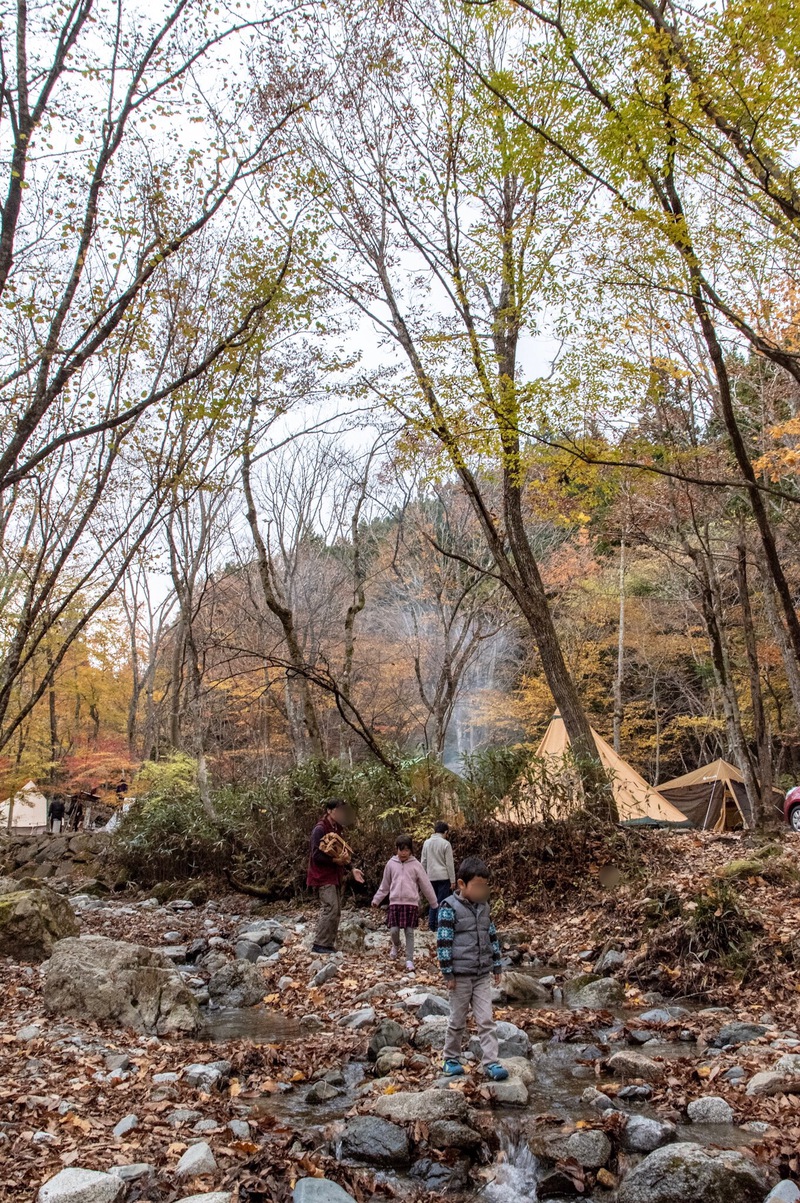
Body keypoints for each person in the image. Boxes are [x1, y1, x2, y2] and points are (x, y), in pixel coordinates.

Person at [436, 855, 509, 1081]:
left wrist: (497, 965)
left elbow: (492, 936)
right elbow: (443, 942)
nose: (481, 891)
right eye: (477, 886)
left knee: (486, 1019)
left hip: (481, 975)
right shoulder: (449, 907)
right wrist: (447, 971)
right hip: (459, 976)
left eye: (484, 887)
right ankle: (450, 1058)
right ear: (461, 884)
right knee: (457, 1019)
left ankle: (491, 1062)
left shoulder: (484, 907)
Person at [372, 834, 438, 972]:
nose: (404, 853)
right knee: (394, 930)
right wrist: (377, 899)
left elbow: (426, 885)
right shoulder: (391, 864)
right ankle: (396, 945)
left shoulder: (416, 865)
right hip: (395, 903)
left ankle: (409, 960)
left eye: (407, 850)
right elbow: (385, 885)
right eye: (401, 850)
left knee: (409, 932)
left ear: (411, 851)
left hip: (411, 904)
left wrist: (434, 903)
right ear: (396, 849)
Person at [307, 797, 364, 955]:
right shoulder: (319, 829)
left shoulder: (337, 828)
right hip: (322, 875)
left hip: (335, 874)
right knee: (330, 907)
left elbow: (342, 853)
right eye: (338, 810)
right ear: (329, 811)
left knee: (337, 909)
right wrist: (334, 860)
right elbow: (316, 854)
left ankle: (328, 944)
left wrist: (351, 868)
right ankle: (319, 944)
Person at [421, 820, 455, 931]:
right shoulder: (446, 844)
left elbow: (423, 862)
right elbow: (449, 864)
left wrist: (422, 878)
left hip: (430, 877)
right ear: (445, 832)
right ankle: (440, 926)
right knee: (442, 902)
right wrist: (453, 880)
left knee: (433, 901)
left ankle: (431, 925)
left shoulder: (426, 843)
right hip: (444, 877)